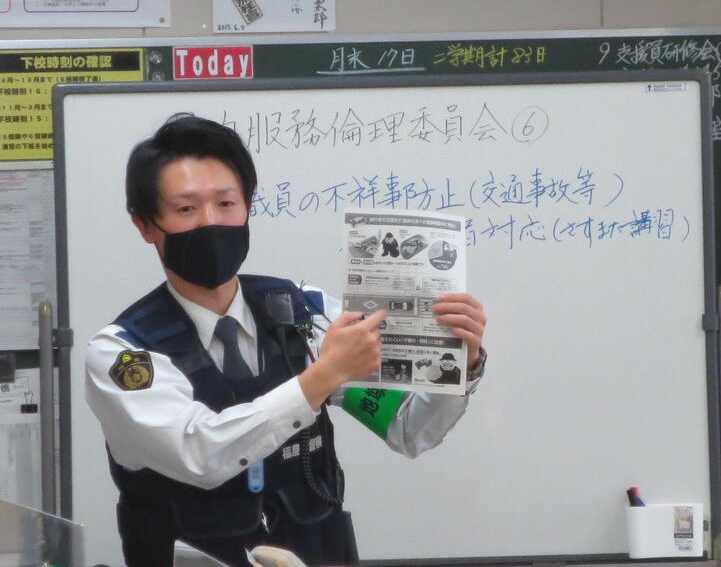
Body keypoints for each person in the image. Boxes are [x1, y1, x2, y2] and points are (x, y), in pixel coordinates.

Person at [84, 115, 488, 567]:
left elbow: (408, 427)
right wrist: (323, 377)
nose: (211, 222)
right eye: (186, 209)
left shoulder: (304, 313)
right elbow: (199, 453)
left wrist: (459, 362)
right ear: (146, 225)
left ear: (248, 208)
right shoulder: (122, 353)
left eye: (226, 203)